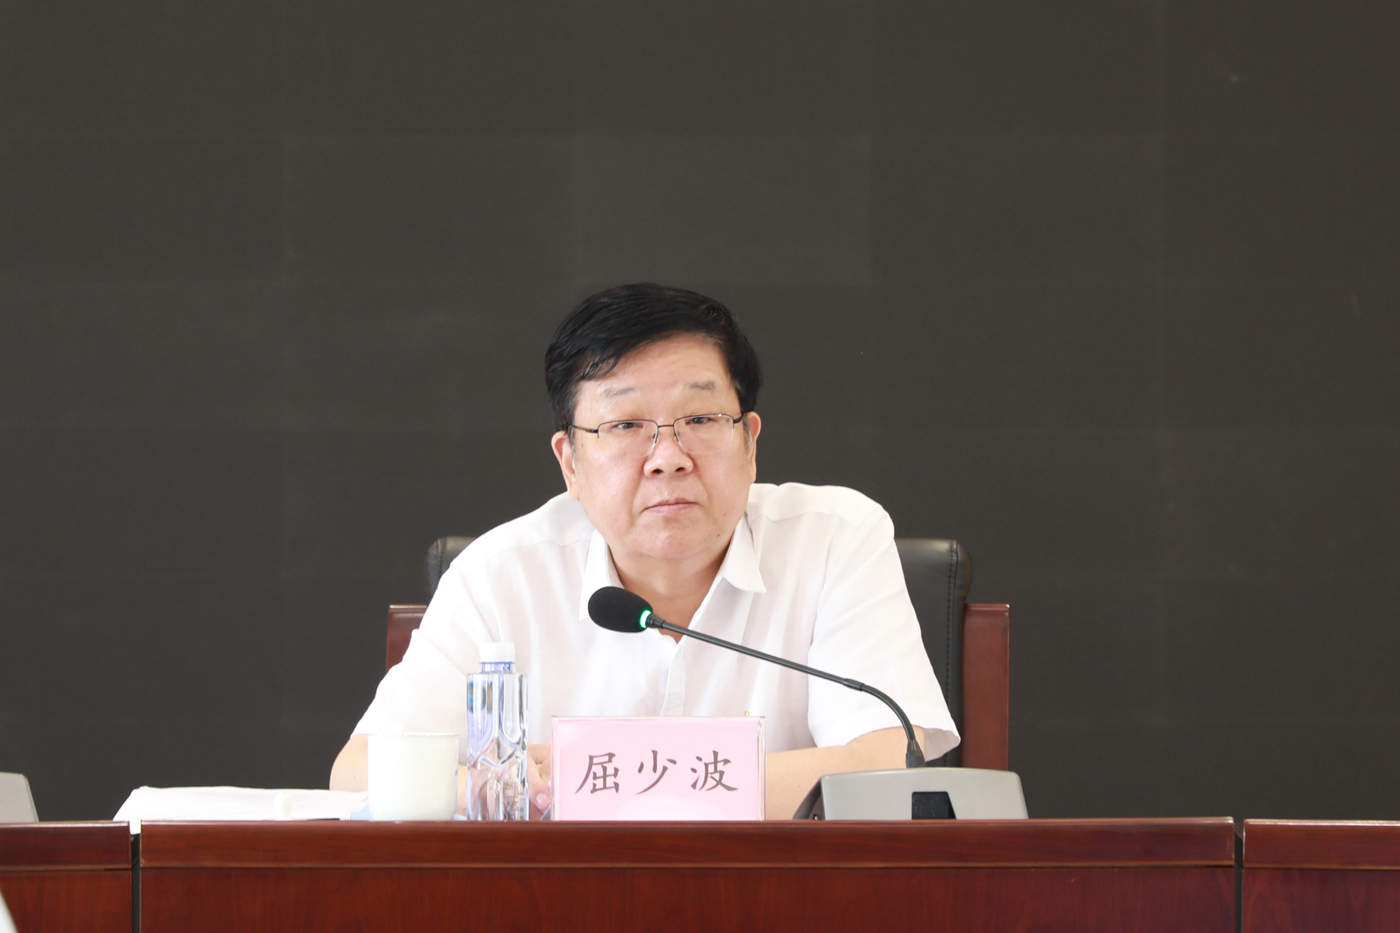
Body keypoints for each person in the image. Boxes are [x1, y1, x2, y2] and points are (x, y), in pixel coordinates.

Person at [331, 283, 958, 819]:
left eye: (701, 420)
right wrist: (508, 786)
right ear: (570, 463)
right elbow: (358, 774)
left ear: (750, 443)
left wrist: (587, 779)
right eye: (625, 426)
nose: (668, 458)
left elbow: (881, 772)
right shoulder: (500, 575)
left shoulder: (833, 539)